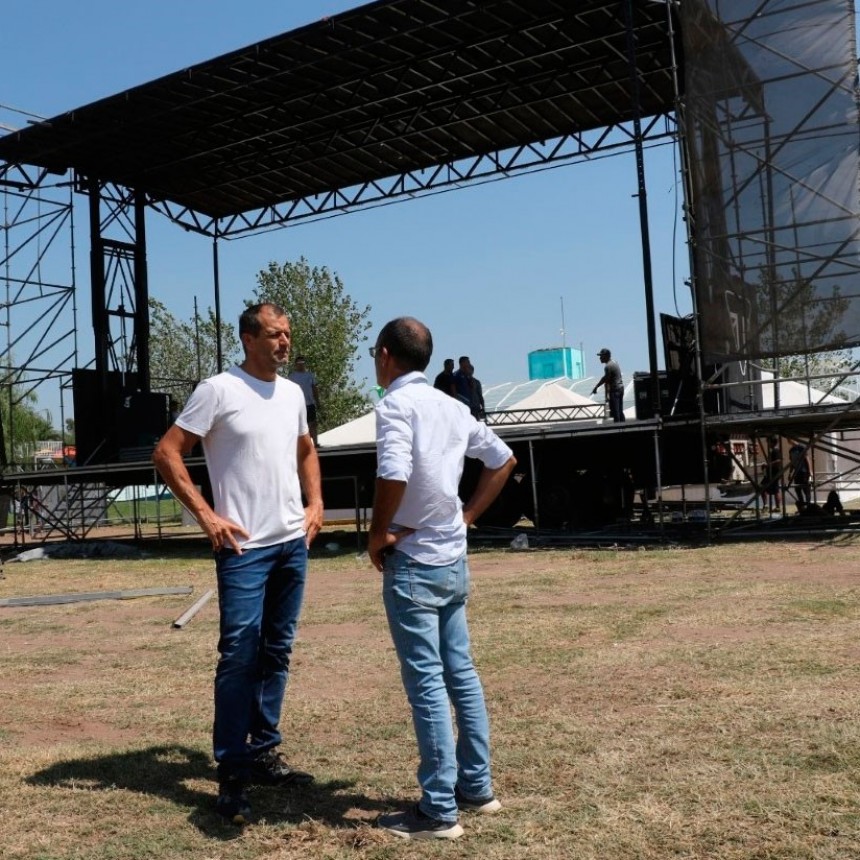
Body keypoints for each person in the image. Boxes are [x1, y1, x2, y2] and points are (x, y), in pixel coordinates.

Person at [152, 302, 323, 825]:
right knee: (238, 658)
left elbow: (305, 448)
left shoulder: (293, 391)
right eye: (274, 334)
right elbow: (166, 453)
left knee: (278, 650)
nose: (284, 343)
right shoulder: (218, 390)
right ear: (248, 338)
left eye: (287, 335)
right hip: (244, 551)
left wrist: (315, 504)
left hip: (291, 544)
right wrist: (207, 516)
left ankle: (263, 749)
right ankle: (231, 770)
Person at [368, 317, 516, 840]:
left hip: (413, 560)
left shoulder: (394, 406)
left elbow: (394, 474)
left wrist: (377, 533)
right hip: (453, 558)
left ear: (385, 355)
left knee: (427, 685)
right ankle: (477, 788)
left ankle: (438, 810)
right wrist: (467, 516)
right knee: (461, 675)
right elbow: (502, 460)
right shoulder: (453, 407)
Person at [288, 355, 321, 445]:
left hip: (309, 403)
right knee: (299, 425)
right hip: (297, 405)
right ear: (295, 364)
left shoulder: (310, 375)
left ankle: (315, 443)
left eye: (303, 363)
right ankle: (300, 446)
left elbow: (314, 388)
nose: (301, 365)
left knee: (313, 424)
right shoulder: (292, 376)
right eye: (299, 363)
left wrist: (317, 401)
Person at [591, 348, 625, 422]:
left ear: (606, 356)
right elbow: (606, 378)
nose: (600, 358)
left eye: (601, 356)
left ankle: (618, 429)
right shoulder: (614, 362)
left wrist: (597, 387)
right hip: (621, 388)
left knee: (615, 412)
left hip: (615, 390)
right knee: (619, 410)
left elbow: (606, 380)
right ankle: (623, 427)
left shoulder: (608, 366)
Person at [788, 443, 811, 511]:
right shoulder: (791, 450)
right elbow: (792, 462)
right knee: (798, 489)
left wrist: (809, 471)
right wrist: (790, 473)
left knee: (806, 489)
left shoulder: (801, 448)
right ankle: (802, 507)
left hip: (803, 471)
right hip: (796, 473)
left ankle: (808, 506)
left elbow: (807, 459)